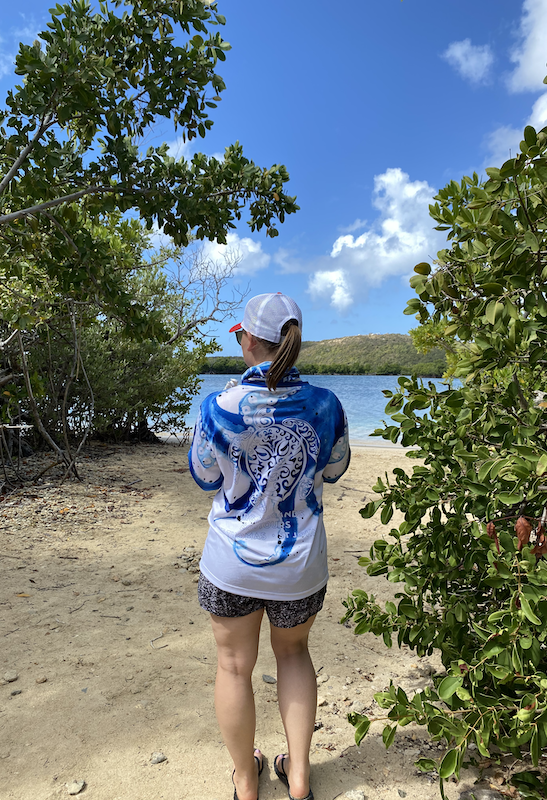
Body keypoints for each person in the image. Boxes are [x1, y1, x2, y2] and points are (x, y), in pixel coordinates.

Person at [188, 293, 350, 800]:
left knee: (234, 665)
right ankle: (298, 779)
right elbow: (334, 470)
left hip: (230, 564)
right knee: (295, 655)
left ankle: (245, 780)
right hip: (299, 566)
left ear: (250, 339)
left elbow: (203, 476)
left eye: (240, 335)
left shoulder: (217, 405)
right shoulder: (326, 404)